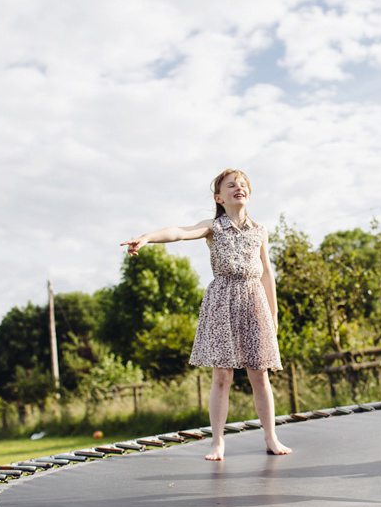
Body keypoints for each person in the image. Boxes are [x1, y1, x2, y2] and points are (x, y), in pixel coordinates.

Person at [121, 168, 291, 461]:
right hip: (222, 300)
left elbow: (267, 275)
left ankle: (271, 437)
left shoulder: (260, 231)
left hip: (254, 301)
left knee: (259, 374)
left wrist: (273, 315)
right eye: (231, 185)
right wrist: (148, 237)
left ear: (248, 193)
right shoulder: (214, 227)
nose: (238, 188)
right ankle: (217, 442)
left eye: (243, 185)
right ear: (219, 197)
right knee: (222, 375)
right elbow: (179, 232)